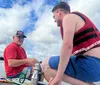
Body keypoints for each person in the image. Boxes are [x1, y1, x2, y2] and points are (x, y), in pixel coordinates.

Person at [41, 2, 100, 85]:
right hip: (96, 71)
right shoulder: (78, 19)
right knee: (64, 64)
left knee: (45, 64)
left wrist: (58, 76)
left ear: (59, 13)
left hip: (91, 65)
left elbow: (67, 46)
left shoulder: (68, 18)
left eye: (54, 16)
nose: (54, 20)